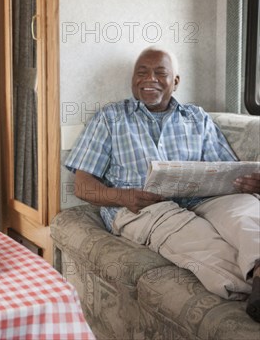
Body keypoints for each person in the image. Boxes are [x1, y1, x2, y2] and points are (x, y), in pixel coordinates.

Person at [65, 46, 260, 322]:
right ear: (133, 79)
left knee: (245, 212)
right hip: (142, 207)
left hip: (204, 198)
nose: (150, 79)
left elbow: (226, 171)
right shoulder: (110, 118)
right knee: (198, 240)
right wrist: (122, 197)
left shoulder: (197, 118)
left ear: (176, 81)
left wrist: (248, 183)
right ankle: (252, 289)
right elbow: (82, 186)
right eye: (141, 72)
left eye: (160, 73)